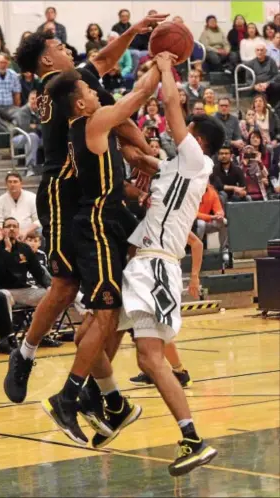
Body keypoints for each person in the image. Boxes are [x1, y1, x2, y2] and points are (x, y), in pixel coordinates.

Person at [3, 17, 167, 408]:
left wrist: (133, 30)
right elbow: (123, 116)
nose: (67, 49)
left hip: (94, 194)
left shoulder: (70, 81)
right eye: (59, 47)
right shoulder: (64, 89)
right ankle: (25, 354)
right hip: (64, 193)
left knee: (116, 289)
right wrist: (142, 151)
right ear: (46, 61)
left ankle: (102, 387)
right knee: (66, 287)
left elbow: (105, 62)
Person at [39, 49, 170, 447]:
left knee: (104, 318)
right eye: (91, 91)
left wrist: (139, 158)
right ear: (80, 103)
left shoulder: (91, 128)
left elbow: (116, 172)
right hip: (95, 225)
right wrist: (161, 65)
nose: (98, 94)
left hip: (108, 219)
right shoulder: (91, 122)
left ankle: (107, 398)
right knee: (106, 315)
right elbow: (137, 97)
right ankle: (70, 397)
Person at [122, 53, 225, 476]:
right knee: (140, 355)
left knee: (150, 358)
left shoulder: (196, 161)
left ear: (196, 140)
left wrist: (165, 67)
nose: (173, 136)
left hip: (158, 265)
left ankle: (192, 437)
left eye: (185, 133)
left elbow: (170, 109)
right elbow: (137, 152)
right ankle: (107, 401)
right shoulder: (177, 168)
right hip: (144, 262)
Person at [129, 231, 203, 387]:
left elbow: (197, 243)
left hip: (164, 278)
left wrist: (195, 276)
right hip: (147, 276)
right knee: (146, 327)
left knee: (159, 327)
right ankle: (155, 370)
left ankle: (179, 372)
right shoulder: (146, 221)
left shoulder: (171, 221)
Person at [0, 217, 50, 307]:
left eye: (14, 226)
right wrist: (7, 250)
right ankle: (7, 321)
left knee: (51, 295)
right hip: (3, 290)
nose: (12, 228)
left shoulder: (25, 248)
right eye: (8, 226)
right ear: (2, 230)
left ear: (18, 230)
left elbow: (37, 271)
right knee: (4, 297)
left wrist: (47, 286)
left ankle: (51, 321)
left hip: (23, 291)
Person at [0, 172, 40, 239]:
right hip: (6, 235)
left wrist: (25, 231)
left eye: (15, 182)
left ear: (21, 183)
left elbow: (38, 220)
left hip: (29, 234)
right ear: (6, 184)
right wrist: (6, 234)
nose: (12, 184)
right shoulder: (0, 200)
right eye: (10, 182)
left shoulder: (32, 197)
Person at [195, 183, 229, 261]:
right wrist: (211, 217)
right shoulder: (192, 192)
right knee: (201, 224)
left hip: (207, 221)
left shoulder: (212, 192)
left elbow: (218, 209)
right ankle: (197, 251)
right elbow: (194, 213)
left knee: (223, 222)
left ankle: (224, 250)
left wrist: (219, 214)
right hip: (192, 225)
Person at [13, 90, 42, 175]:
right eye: (32, 99)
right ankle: (30, 168)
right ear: (28, 100)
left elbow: (46, 127)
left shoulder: (43, 111)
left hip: (38, 137)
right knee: (32, 136)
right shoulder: (23, 111)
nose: (34, 101)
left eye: (37, 99)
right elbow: (25, 128)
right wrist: (39, 127)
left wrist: (35, 126)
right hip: (18, 137)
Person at [246, 43, 280, 108]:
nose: (260, 52)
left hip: (270, 85)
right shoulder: (251, 63)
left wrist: (267, 83)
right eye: (258, 50)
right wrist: (255, 86)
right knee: (262, 95)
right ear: (255, 52)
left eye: (261, 50)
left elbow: (276, 75)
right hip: (258, 87)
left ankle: (276, 110)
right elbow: (248, 79)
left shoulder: (271, 61)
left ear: (265, 51)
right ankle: (267, 112)